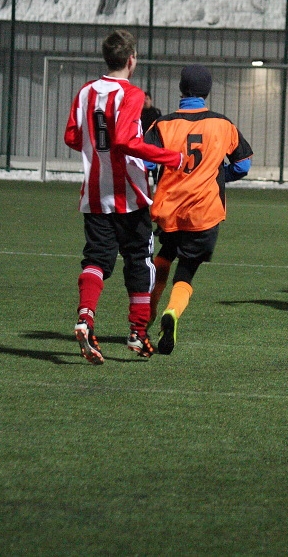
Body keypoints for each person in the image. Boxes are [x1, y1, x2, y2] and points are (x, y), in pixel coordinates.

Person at [64, 29, 185, 365]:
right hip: (129, 196)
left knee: (96, 260)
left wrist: (94, 150)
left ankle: (85, 318)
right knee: (138, 259)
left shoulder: (86, 92)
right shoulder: (131, 94)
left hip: (94, 193)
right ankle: (137, 333)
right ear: (132, 60)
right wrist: (170, 157)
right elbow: (125, 141)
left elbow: (71, 137)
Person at [144, 65, 253, 355]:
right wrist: (218, 176)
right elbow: (242, 165)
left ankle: (149, 308)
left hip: (169, 209)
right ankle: (172, 312)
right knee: (187, 270)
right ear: (207, 91)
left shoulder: (163, 124)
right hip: (204, 212)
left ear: (181, 89)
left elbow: (146, 163)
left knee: (165, 256)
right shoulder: (222, 124)